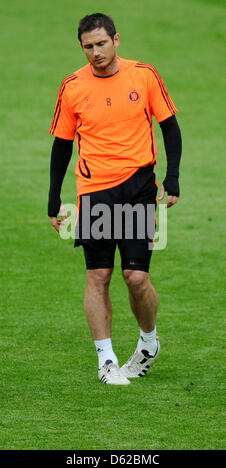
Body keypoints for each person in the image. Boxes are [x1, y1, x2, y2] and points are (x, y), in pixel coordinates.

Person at [48, 13, 182, 385]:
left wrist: (172, 177)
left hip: (139, 188)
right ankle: (106, 361)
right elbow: (61, 146)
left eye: (101, 43)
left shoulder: (144, 75)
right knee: (99, 275)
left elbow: (169, 126)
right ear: (82, 48)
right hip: (94, 192)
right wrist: (52, 198)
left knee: (136, 276)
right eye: (88, 46)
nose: (96, 52)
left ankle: (148, 343)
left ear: (116, 40)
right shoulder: (72, 86)